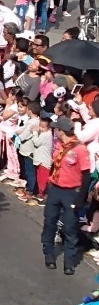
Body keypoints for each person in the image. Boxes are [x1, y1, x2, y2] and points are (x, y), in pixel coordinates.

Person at [42, 117, 91, 275]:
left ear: (61, 131)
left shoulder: (80, 149)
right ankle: (49, 255)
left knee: (69, 227)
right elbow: (54, 167)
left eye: (56, 129)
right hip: (55, 189)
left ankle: (69, 261)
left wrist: (80, 199)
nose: (55, 131)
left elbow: (86, 176)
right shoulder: (58, 146)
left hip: (71, 192)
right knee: (49, 222)